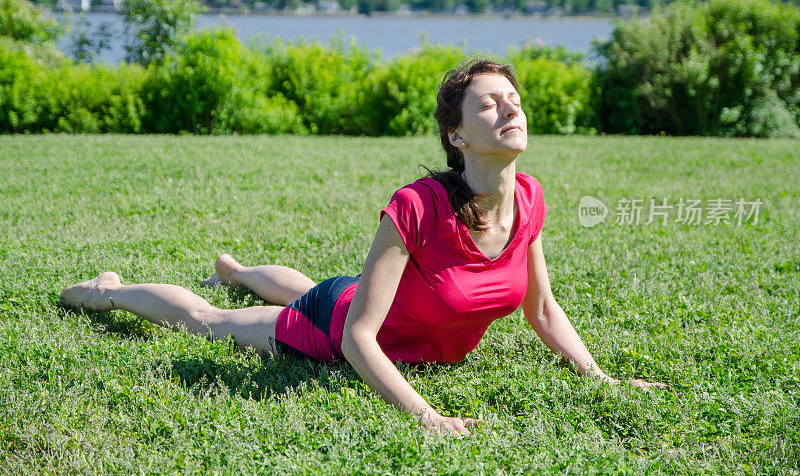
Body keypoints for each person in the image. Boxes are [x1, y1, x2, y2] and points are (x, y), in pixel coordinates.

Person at [61, 59, 666, 437]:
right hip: (337, 325)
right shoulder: (417, 206)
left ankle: (239, 268)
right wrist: (427, 418)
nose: (510, 107)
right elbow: (357, 337)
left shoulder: (529, 198)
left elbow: (542, 310)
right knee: (210, 320)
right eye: (490, 103)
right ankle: (107, 291)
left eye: (514, 100)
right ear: (457, 135)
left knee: (319, 288)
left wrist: (600, 378)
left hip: (374, 303)